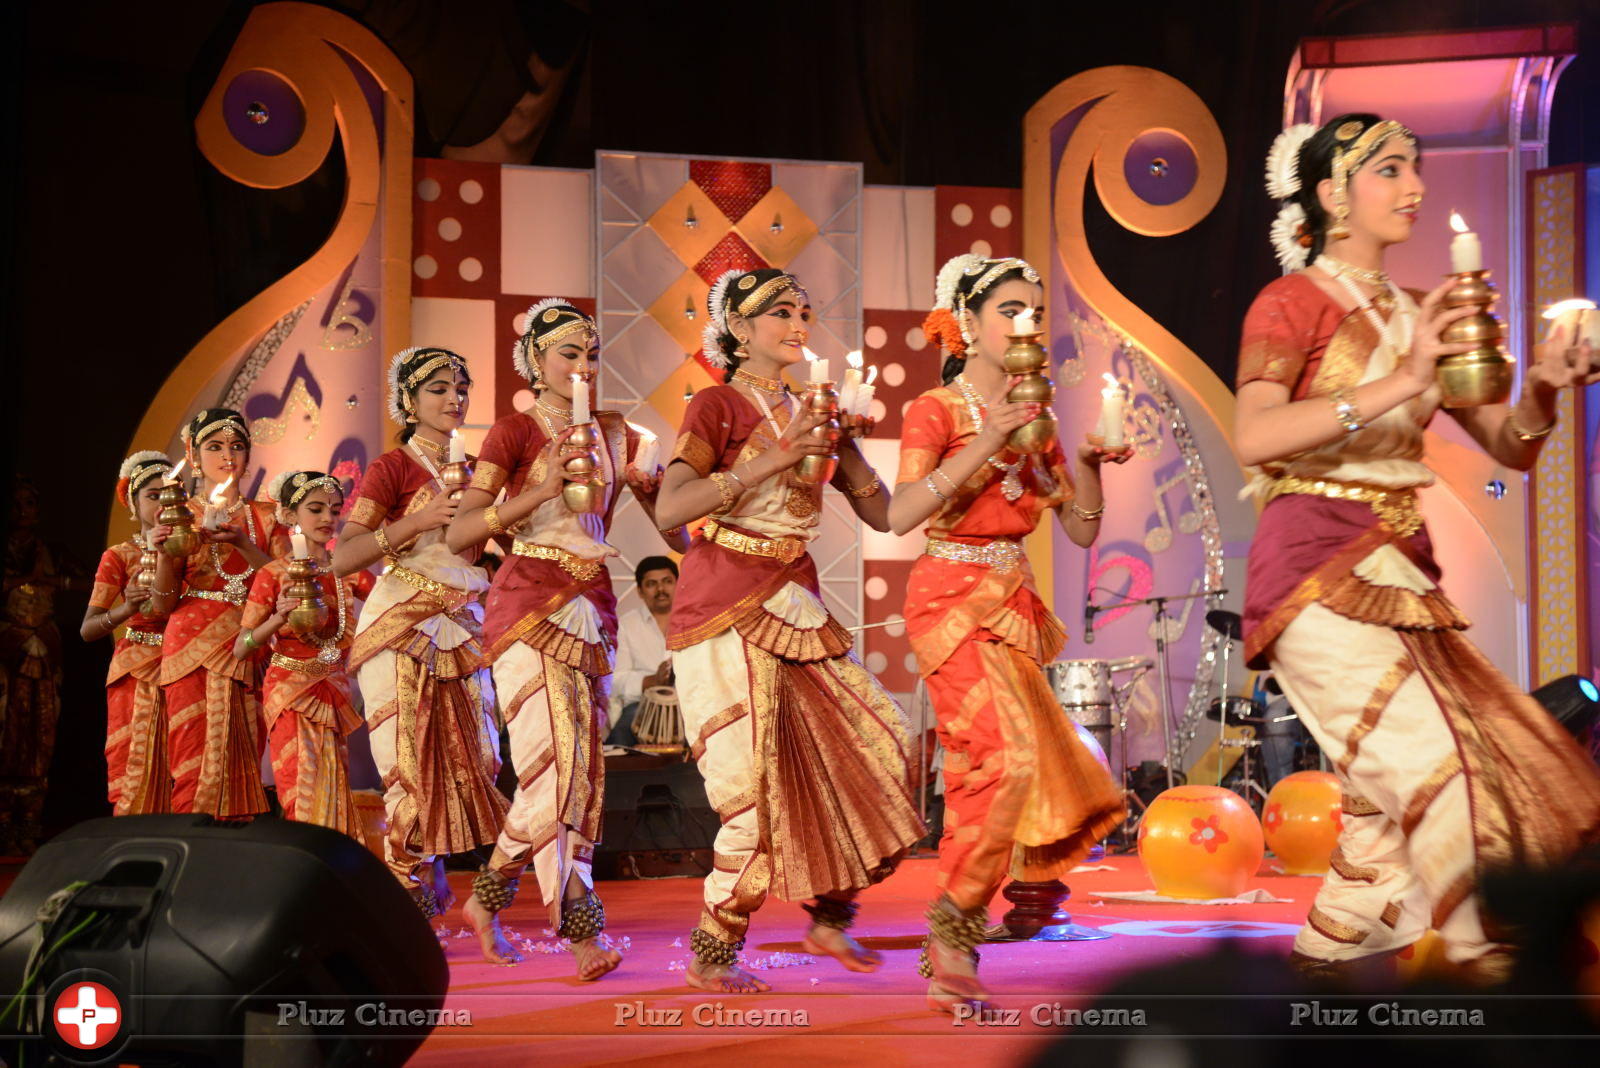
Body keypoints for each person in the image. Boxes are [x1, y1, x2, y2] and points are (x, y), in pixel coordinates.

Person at [1237, 113, 1600, 982]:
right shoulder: (1291, 301)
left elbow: (1510, 443)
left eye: (1417, 167)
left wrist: (1546, 388)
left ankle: (1324, 991)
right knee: (1446, 768)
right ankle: (1494, 980)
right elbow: (1255, 437)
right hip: (1312, 569)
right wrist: (1403, 379)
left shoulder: (1421, 309)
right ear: (1330, 196)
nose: (1416, 187)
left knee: (1384, 813)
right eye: (1390, 169)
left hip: (1401, 567)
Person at [653, 267, 924, 994]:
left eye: (804, 310)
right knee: (749, 795)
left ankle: (830, 914)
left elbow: (883, 514)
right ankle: (713, 953)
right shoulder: (714, 404)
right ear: (739, 329)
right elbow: (670, 510)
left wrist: (855, 446)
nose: (799, 323)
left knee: (879, 748)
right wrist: (781, 451)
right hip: (722, 609)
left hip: (797, 606)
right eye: (779, 312)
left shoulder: (813, 406)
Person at [893, 253, 1129, 1012]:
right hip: (949, 598)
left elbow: (1083, 528)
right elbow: (902, 515)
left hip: (1012, 601)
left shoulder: (1042, 417)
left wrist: (1088, 461)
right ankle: (953, 931)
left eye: (1036, 311)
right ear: (968, 322)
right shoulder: (935, 409)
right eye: (1011, 311)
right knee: (1001, 759)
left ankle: (972, 922)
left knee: (1000, 767)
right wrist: (988, 439)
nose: (1029, 323)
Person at [447, 298, 686, 976]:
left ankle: (489, 895)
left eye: (592, 355)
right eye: (568, 355)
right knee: (554, 768)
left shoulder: (619, 435)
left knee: (580, 773)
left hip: (594, 609)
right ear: (534, 362)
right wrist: (538, 490)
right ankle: (580, 929)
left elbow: (678, 535)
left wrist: (662, 488)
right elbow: (463, 533)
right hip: (526, 604)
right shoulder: (512, 433)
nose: (583, 367)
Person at [334, 346, 509, 918]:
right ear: (407, 402)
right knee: (410, 767)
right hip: (402, 622)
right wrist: (417, 521)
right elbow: (343, 556)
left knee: (478, 760)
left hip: (464, 624)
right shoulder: (394, 467)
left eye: (461, 386)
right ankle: (408, 904)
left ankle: (435, 883)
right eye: (437, 388)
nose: (454, 397)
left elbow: (495, 547)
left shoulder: (483, 467)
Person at [158, 409, 287, 818]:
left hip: (251, 647)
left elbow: (290, 582)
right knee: (192, 758)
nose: (228, 455)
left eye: (237, 446)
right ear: (194, 457)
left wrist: (244, 544)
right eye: (214, 447)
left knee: (246, 754)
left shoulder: (268, 517)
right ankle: (190, 856)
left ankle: (232, 859)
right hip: (190, 648)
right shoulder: (179, 517)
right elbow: (161, 604)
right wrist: (164, 553)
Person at [236, 471, 375, 835]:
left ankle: (333, 875)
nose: (328, 518)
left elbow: (385, 607)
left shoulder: (348, 571)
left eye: (334, 509)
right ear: (290, 514)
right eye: (316, 509)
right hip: (290, 692)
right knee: (302, 790)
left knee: (333, 789)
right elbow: (242, 645)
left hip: (334, 691)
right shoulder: (274, 574)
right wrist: (278, 618)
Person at [81, 451, 180, 815]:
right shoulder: (119, 556)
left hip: (185, 664)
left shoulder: (191, 549)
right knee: (137, 767)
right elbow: (88, 629)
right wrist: (125, 609)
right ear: (133, 505)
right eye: (152, 496)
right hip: (137, 669)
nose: (162, 504)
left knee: (183, 764)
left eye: (169, 495)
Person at [608, 555, 677, 746]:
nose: (661, 589)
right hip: (644, 704)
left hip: (689, 702)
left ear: (678, 584)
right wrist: (651, 681)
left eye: (667, 582)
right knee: (626, 725)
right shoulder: (627, 625)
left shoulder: (695, 622)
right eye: (651, 584)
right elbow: (615, 680)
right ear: (640, 591)